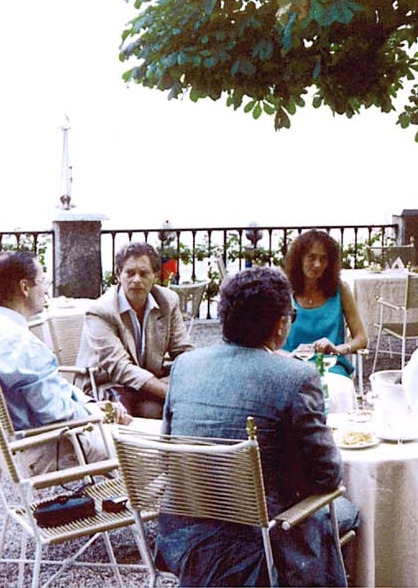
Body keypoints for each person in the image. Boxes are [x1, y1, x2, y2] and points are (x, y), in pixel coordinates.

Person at [157, 266, 360, 587]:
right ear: (281, 324)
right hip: (259, 543)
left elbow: (168, 458)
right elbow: (327, 476)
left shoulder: (185, 366)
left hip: (184, 539)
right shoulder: (294, 377)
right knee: (349, 510)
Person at [0, 251, 132, 475]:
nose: (46, 290)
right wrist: (101, 415)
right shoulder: (19, 342)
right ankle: (144, 508)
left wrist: (90, 404)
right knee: (145, 450)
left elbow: (50, 390)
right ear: (25, 287)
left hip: (9, 447)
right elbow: (55, 413)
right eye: (43, 282)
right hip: (46, 447)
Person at [75, 242, 193, 419]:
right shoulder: (101, 311)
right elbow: (120, 368)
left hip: (147, 384)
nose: (136, 279)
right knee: (158, 411)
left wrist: (197, 380)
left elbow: (183, 351)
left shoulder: (168, 301)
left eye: (144, 273)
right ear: (118, 276)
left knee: (175, 410)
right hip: (106, 386)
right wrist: (170, 392)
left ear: (155, 276)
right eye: (130, 273)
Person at [282, 230, 367, 377]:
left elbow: (361, 338)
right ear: (299, 259)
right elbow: (266, 343)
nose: (317, 264)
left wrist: (338, 349)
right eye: (311, 257)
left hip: (330, 365)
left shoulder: (341, 290)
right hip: (292, 365)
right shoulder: (283, 290)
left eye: (323, 259)